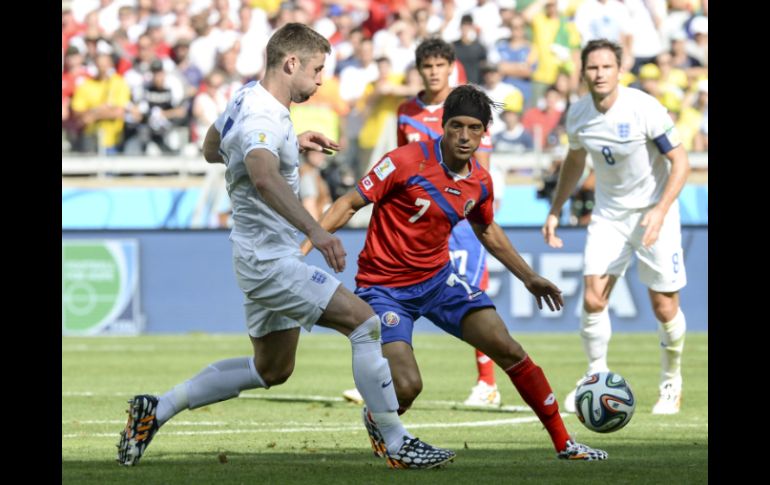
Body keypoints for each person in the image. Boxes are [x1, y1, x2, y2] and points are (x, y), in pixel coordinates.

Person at [116, 23, 455, 470]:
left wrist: (289, 144)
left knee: (271, 369)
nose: (319, 81)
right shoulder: (261, 115)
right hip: (271, 259)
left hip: (255, 253)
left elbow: (211, 147)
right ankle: (396, 442)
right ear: (290, 63)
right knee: (365, 323)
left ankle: (154, 410)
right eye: (316, 70)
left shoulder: (246, 99)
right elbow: (261, 174)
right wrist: (316, 231)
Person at [306, 84, 607, 462]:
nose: (465, 137)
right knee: (407, 387)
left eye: (474, 128)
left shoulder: (479, 181)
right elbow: (350, 203)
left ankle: (565, 444)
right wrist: (305, 247)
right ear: (443, 126)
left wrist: (528, 276)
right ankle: (380, 417)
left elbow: (488, 230)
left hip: (438, 282)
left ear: (485, 132)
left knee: (510, 350)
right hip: (384, 288)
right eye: (457, 126)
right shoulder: (403, 161)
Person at [541, 39, 691, 415]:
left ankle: (671, 382)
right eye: (593, 68)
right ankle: (595, 378)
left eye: (606, 67)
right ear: (583, 72)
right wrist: (556, 209)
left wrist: (660, 210)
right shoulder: (578, 114)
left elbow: (681, 161)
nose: (599, 74)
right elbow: (575, 160)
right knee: (593, 298)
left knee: (663, 305)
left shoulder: (643, 108)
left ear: (619, 70)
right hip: (609, 217)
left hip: (654, 213)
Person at [394, 37, 503, 408]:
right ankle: (384, 375)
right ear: (420, 70)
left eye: (441, 65)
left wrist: (478, 211)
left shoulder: (467, 106)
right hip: (419, 222)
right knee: (400, 293)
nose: (434, 72)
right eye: (428, 66)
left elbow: (480, 166)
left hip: (458, 219)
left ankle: (487, 382)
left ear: (451, 67)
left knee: (470, 295)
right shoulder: (405, 111)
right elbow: (400, 163)